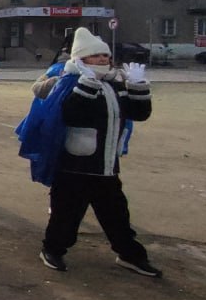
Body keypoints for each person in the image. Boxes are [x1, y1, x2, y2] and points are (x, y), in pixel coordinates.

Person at [28, 28, 160, 276]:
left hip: (106, 166)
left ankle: (130, 255)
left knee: (117, 215)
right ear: (80, 58)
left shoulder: (114, 83)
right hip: (73, 166)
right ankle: (53, 250)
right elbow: (68, 115)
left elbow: (138, 114)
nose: (102, 59)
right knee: (65, 215)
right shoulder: (68, 82)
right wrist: (86, 86)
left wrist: (138, 87)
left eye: (105, 55)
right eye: (95, 55)